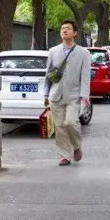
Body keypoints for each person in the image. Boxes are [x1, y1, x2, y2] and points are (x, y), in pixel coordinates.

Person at [43, 19, 91, 166]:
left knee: (70, 122)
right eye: (62, 28)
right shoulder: (53, 51)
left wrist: (85, 96)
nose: (64, 30)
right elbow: (48, 74)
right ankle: (65, 155)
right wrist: (45, 94)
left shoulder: (83, 53)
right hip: (56, 95)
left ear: (74, 33)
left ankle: (76, 146)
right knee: (59, 127)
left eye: (68, 28)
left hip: (74, 95)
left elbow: (85, 76)